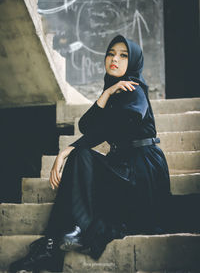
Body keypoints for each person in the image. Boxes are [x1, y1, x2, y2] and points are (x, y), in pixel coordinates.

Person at [9, 35, 171, 272]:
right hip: (123, 167)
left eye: (123, 55)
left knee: (79, 155)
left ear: (133, 62)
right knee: (81, 158)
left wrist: (67, 149)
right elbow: (87, 125)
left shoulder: (134, 89)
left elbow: (118, 124)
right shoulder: (115, 92)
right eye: (110, 53)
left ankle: (58, 240)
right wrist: (105, 94)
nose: (114, 59)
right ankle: (58, 241)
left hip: (142, 172)